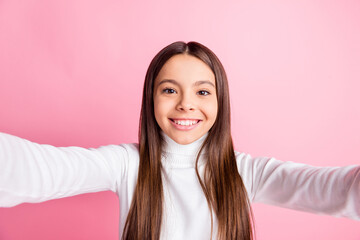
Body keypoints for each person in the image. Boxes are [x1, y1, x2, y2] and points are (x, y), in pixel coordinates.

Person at [0, 41, 359, 240]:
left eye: (203, 91)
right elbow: (38, 170)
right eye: (169, 89)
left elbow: (336, 191)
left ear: (220, 102)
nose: (186, 103)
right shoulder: (128, 164)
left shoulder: (246, 172)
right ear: (150, 99)